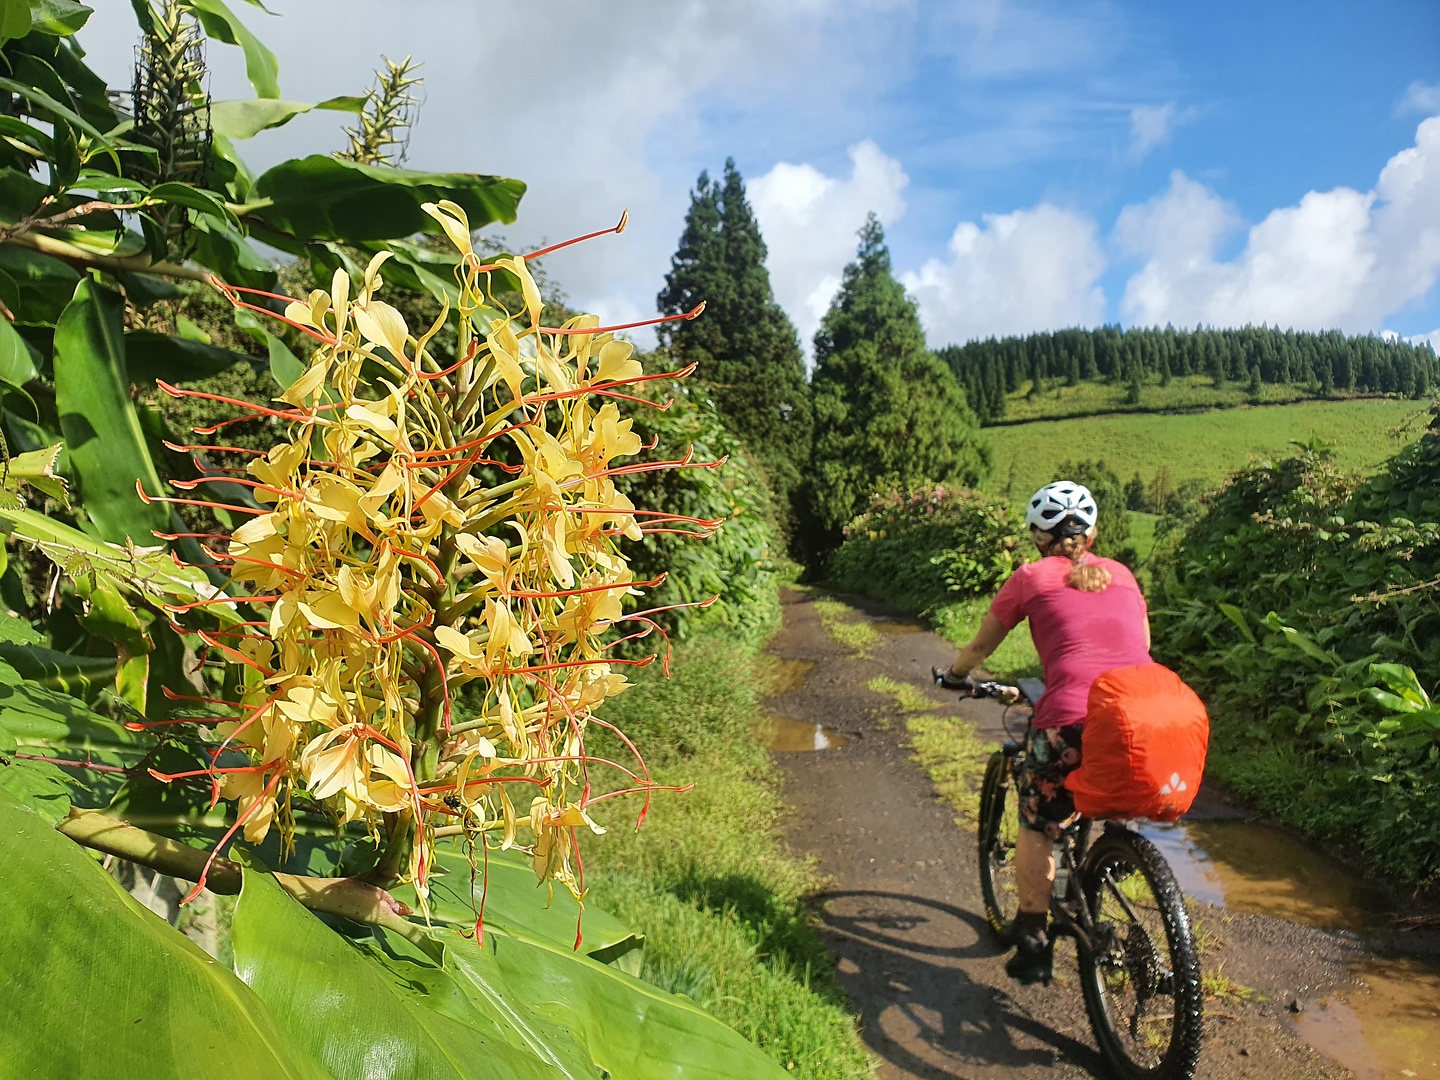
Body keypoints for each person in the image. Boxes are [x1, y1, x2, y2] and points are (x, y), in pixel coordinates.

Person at [934, 480, 1152, 984]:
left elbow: (979, 649)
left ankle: (1032, 940)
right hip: (1138, 714)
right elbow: (1140, 645)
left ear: (1037, 535)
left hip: (1070, 716)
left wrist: (956, 676)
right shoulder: (1123, 574)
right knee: (1111, 774)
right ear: (1092, 533)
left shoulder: (1030, 576)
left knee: (1039, 821)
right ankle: (1119, 843)